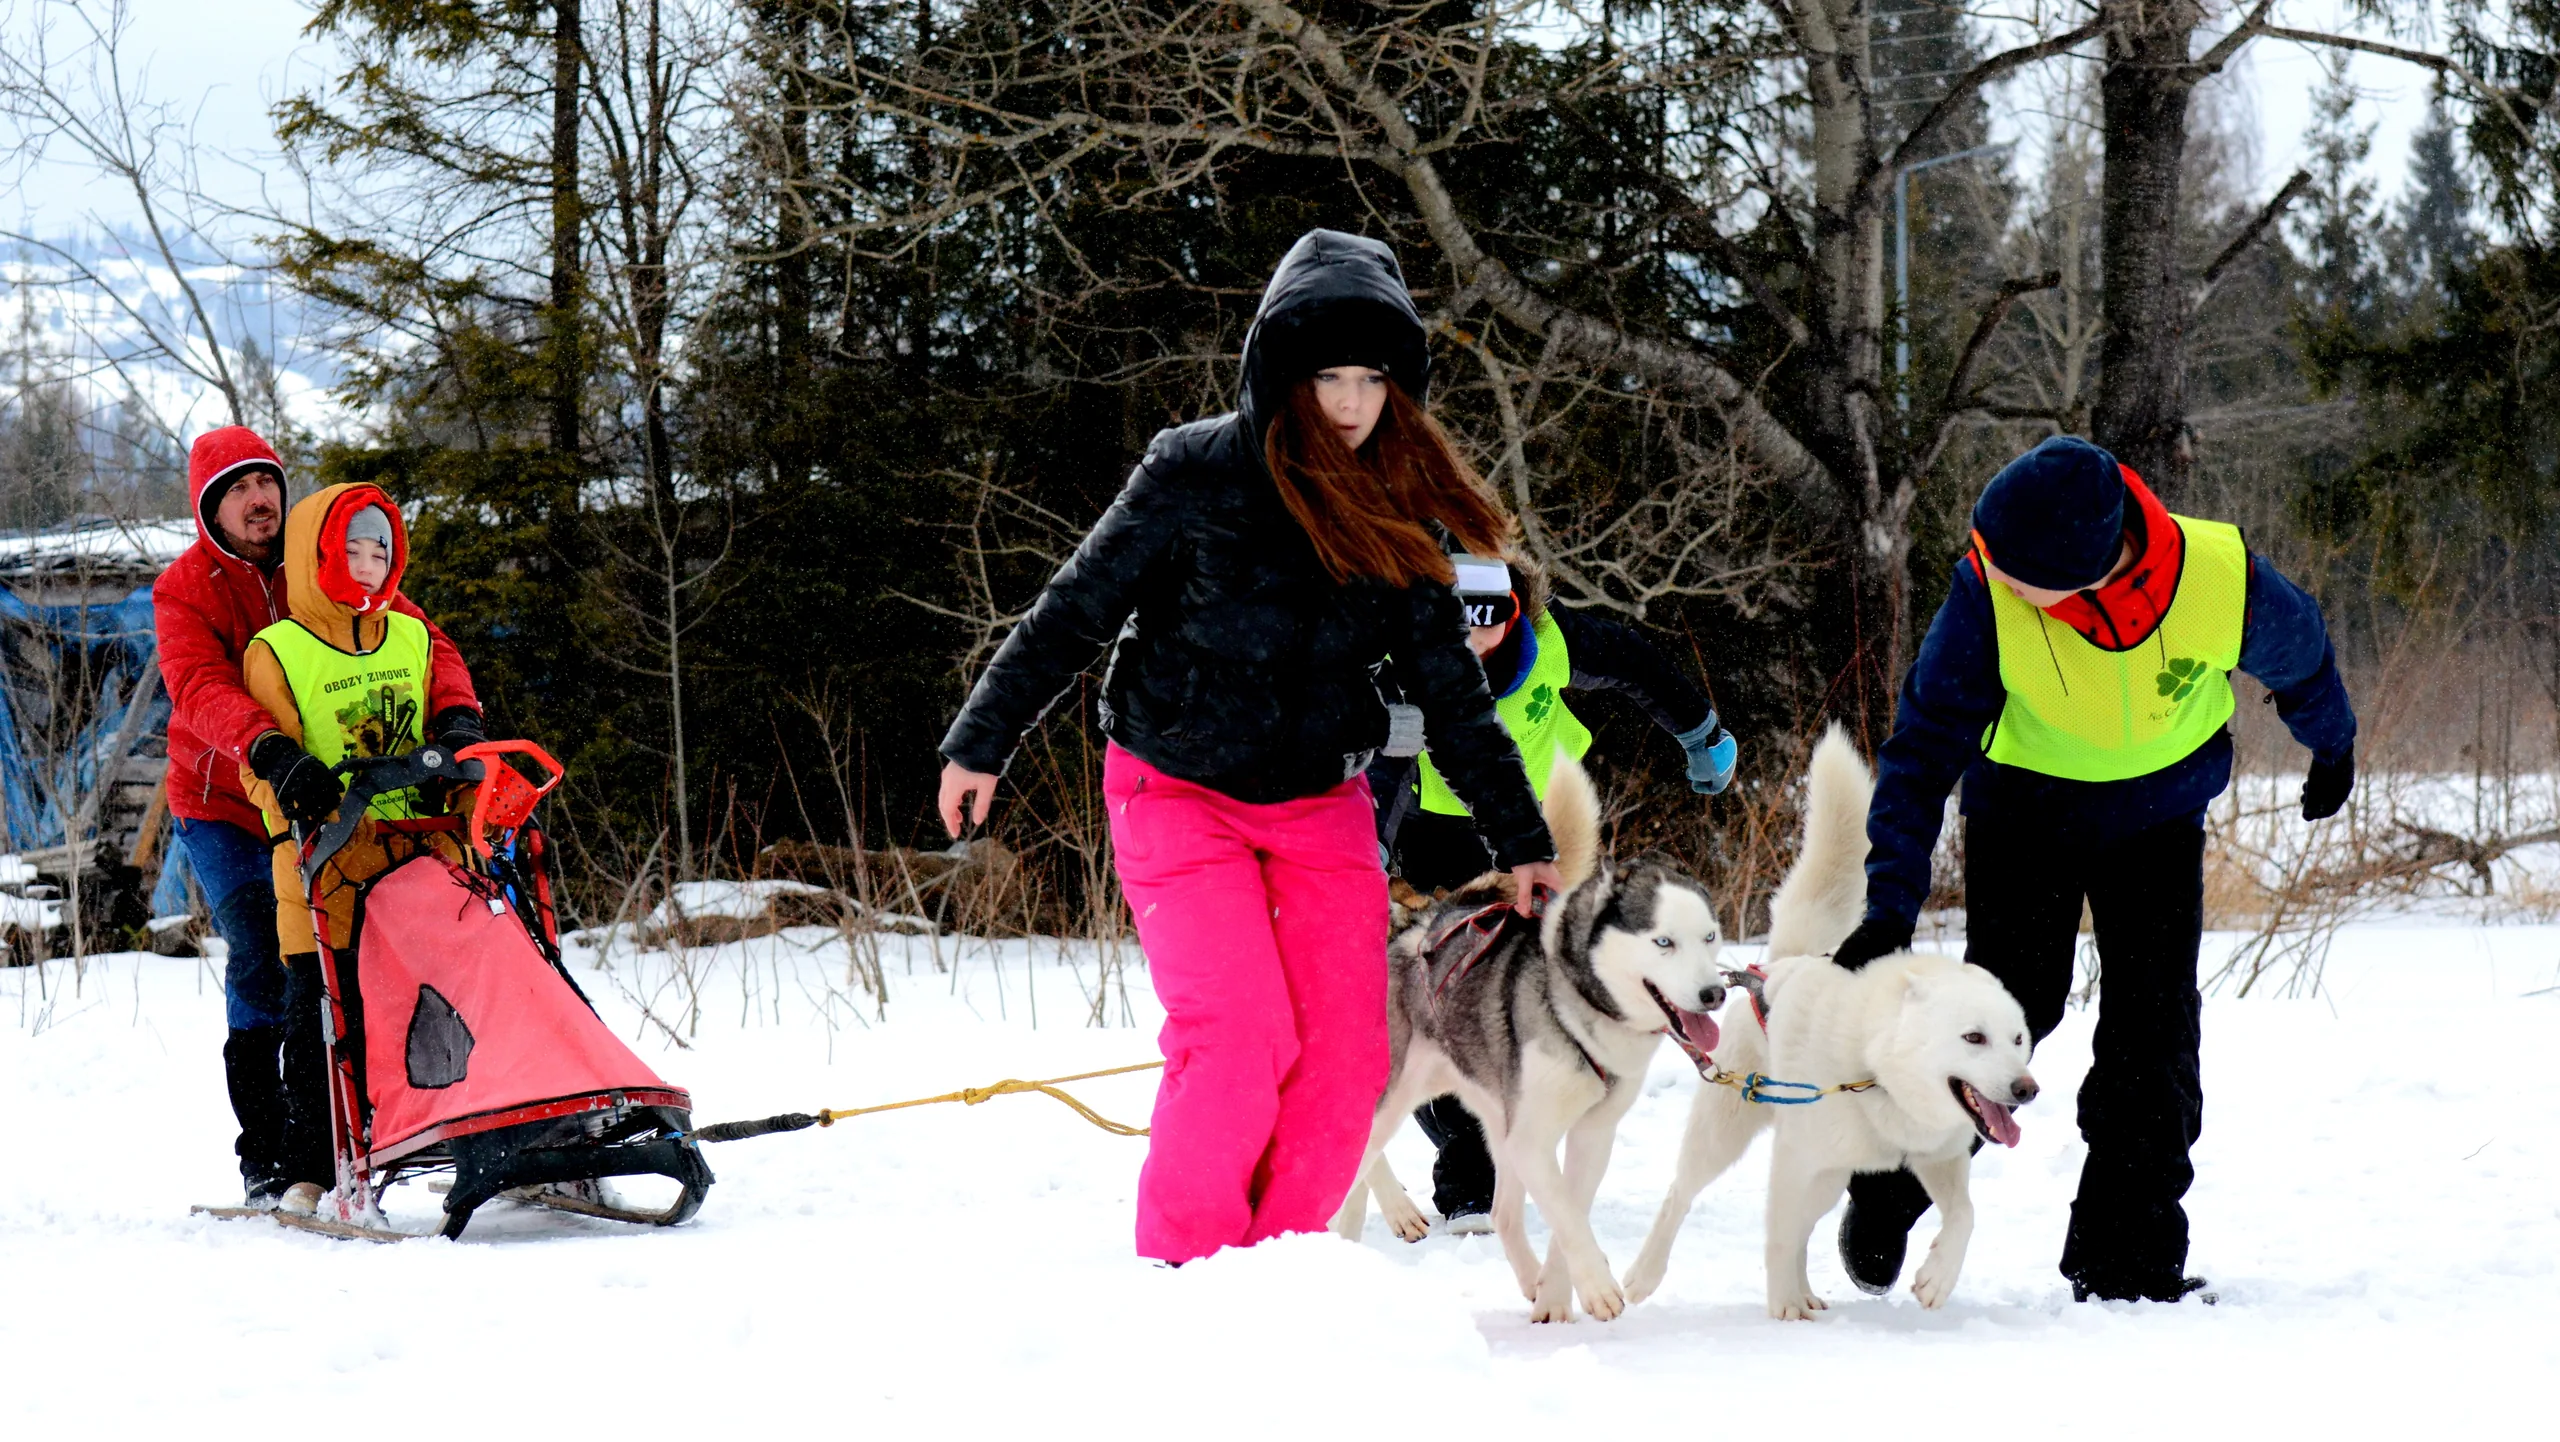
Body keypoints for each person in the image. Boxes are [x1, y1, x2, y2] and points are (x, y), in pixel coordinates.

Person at [936, 229, 1561, 1265]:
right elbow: (1074, 609)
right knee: (1236, 1040)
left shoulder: (1399, 509)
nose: (1352, 402)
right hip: (1173, 786)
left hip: (1318, 801)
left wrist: (1520, 836)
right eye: (1328, 375)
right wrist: (981, 740)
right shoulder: (1194, 470)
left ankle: (1276, 1280)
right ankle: (1184, 1280)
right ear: (1280, 370)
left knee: (1347, 1058)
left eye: (1372, 378)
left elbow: (1451, 694)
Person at [1828, 435, 2356, 1304]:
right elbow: (1920, 753)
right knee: (2010, 1011)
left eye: (2008, 566)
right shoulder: (1985, 594)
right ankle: (1892, 1183)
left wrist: (2333, 744)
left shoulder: (2221, 579)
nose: (1986, 570)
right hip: (2024, 820)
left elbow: (2305, 657)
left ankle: (2129, 1261)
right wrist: (1891, 906)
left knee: (2154, 1035)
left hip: (2157, 823)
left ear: (2082, 568)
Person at [156, 428, 480, 1209]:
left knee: (373, 941)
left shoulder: (319, 554)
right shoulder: (186, 588)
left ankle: (364, 1120)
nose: (257, 499)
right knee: (268, 950)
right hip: (228, 800)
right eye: (236, 489)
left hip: (332, 798)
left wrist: (459, 715)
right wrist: (265, 748)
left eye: (265, 482)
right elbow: (197, 684)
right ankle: (268, 1147)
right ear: (210, 507)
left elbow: (424, 641)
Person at [1370, 548, 1738, 1231]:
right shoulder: (1407, 657)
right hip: (1431, 833)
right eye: (1460, 625)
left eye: (1493, 623)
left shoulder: (1554, 639)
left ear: (1519, 612)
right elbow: (1385, 777)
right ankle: (1468, 1166)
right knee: (1434, 1001)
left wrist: (1700, 732)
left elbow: (1639, 666)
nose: (1475, 644)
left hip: (1529, 836)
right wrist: (1372, 859)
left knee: (1520, 994)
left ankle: (1527, 1126)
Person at [234, 482, 489, 1214]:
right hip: (324, 868)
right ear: (317, 557)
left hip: (417, 859)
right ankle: (311, 1166)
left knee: (444, 1004)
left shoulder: (410, 635)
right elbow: (261, 762)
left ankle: (469, 1125)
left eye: (382, 549)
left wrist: (459, 755)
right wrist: (292, 782)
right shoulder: (276, 651)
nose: (370, 562)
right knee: (318, 1024)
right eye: (352, 548)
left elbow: (442, 713)